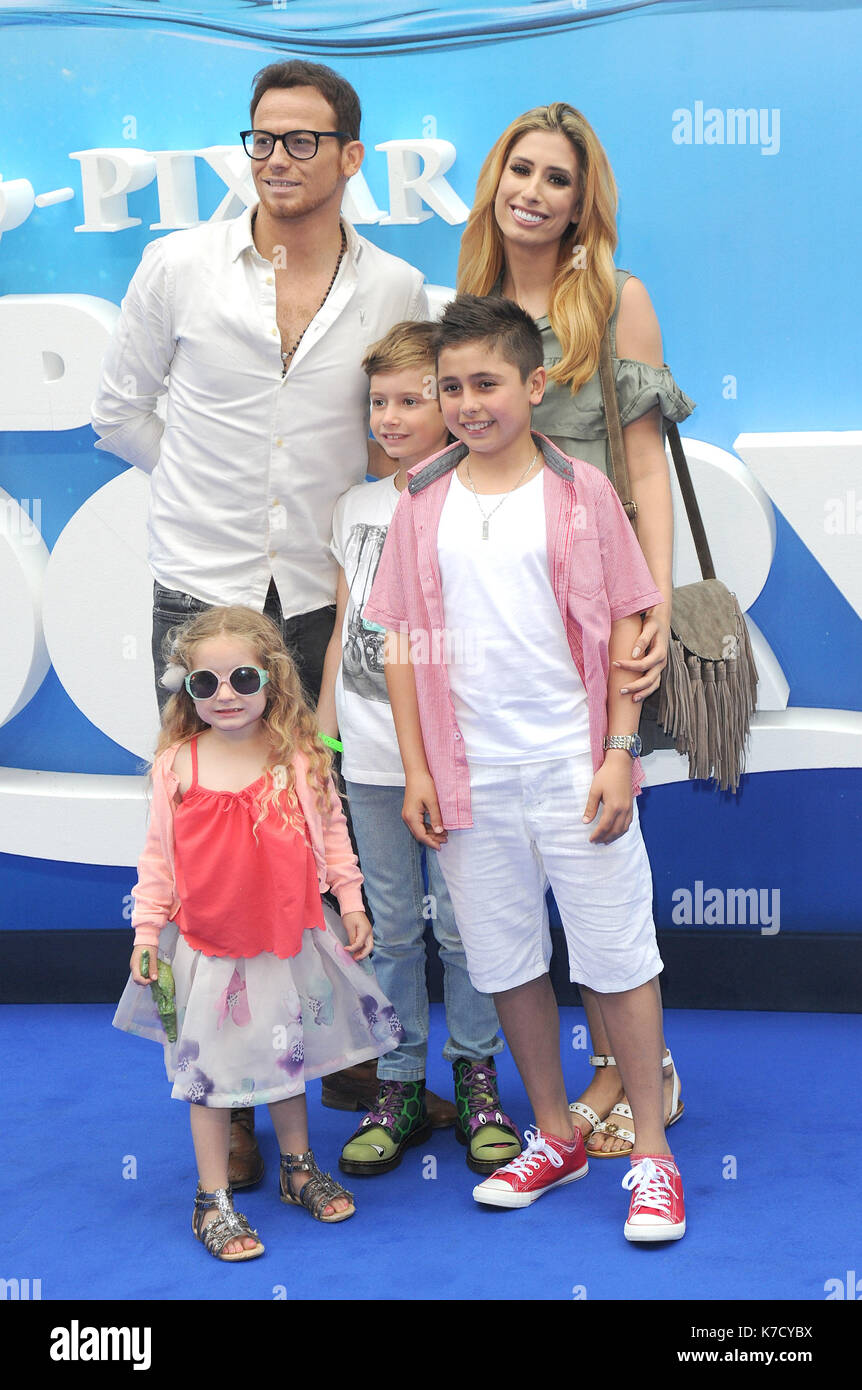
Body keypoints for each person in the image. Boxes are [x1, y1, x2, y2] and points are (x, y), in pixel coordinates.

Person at [92, 58, 428, 1180]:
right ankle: (221, 1094)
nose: (278, 160)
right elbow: (120, 408)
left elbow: (404, 427)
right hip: (202, 595)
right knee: (205, 847)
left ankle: (320, 1047)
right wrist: (196, 489)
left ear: (350, 156)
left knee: (314, 831)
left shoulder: (393, 288)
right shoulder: (176, 265)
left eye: (301, 141)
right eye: (261, 140)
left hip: (327, 596)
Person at [363, 295, 686, 1240]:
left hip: (574, 768)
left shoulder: (581, 491)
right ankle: (553, 1134)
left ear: (534, 385)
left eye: (486, 383)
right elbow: (402, 645)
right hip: (469, 781)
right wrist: (419, 771)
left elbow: (631, 621)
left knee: (617, 959)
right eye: (451, 387)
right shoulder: (418, 499)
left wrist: (620, 751)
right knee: (505, 962)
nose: (468, 403)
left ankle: (654, 1156)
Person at [457, 102, 692, 1156]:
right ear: (494, 180)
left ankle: (638, 1072)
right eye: (521, 169)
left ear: (580, 198)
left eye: (557, 177)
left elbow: (643, 464)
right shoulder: (463, 302)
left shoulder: (617, 298)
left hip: (597, 604)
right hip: (503, 610)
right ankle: (605, 1074)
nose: (534, 192)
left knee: (597, 843)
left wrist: (652, 602)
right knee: (532, 848)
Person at [113, 606, 404, 1260]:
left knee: (286, 1059)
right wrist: (145, 932)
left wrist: (351, 902)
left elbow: (332, 837)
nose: (226, 696)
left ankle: (297, 1165)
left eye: (243, 678)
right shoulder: (177, 768)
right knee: (209, 1075)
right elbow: (157, 861)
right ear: (185, 689)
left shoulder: (298, 758)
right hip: (208, 954)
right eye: (205, 683)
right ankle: (211, 1197)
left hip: (286, 945)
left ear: (272, 677)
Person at [316, 321, 520, 1177]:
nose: (392, 418)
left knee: (470, 927)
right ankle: (397, 1083)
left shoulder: (466, 504)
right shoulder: (355, 507)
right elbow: (339, 632)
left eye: (412, 399)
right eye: (379, 403)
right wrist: (323, 740)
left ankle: (476, 1080)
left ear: (447, 404)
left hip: (454, 756)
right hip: (365, 757)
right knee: (392, 930)